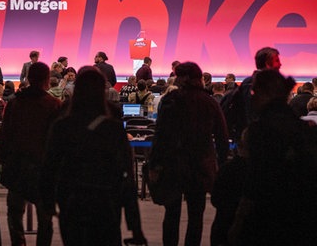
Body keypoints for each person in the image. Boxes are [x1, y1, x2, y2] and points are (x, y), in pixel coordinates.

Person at [40, 66, 145, 246]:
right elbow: (126, 175)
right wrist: (134, 226)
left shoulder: (62, 126)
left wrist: (48, 204)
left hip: (72, 202)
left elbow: (49, 167)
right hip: (107, 203)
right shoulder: (112, 127)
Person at [229, 69, 317, 245]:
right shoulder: (303, 128)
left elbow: (255, 180)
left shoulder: (260, 131)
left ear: (266, 94)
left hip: (266, 215)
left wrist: (239, 222)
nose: (251, 97)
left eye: (254, 92)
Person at [148, 62, 229, 246]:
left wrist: (154, 163)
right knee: (196, 216)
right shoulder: (209, 102)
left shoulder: (171, 100)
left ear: (184, 78)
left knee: (171, 214)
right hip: (200, 166)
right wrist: (221, 165)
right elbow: (222, 137)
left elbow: (161, 136)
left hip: (173, 165)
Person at [0, 62, 62, 246]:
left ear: (28, 78)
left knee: (14, 213)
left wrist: (5, 161)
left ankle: (18, 243)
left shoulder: (14, 104)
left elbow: (5, 136)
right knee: (45, 218)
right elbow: (58, 141)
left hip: (17, 167)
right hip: (44, 170)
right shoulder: (54, 105)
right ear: (47, 80)